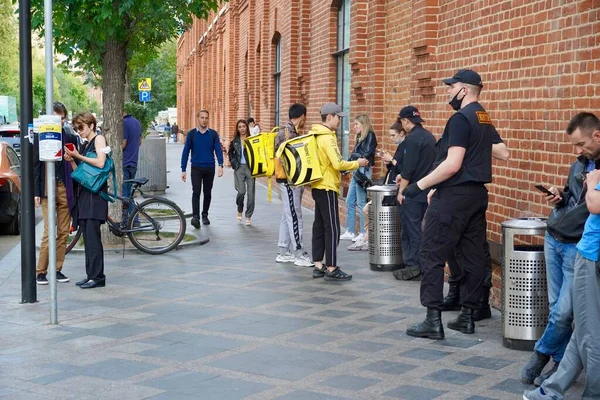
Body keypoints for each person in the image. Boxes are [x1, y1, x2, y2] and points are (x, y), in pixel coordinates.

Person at [403, 69, 505, 339]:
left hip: (454, 197)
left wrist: (419, 186)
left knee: (432, 254)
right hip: (477, 196)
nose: (448, 91)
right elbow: (503, 151)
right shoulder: (482, 116)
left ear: (464, 90)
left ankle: (432, 320)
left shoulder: (460, 118)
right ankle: (467, 317)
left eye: (452, 87)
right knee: (473, 257)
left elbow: (452, 164)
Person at [520, 112, 600, 387]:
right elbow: (571, 200)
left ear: (597, 136)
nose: (577, 151)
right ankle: (559, 363)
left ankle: (541, 355)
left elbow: (593, 207)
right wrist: (559, 197)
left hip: (579, 247)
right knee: (557, 308)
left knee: (565, 312)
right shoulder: (578, 165)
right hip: (553, 238)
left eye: (581, 144)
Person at [310, 103, 369, 281]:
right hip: (327, 186)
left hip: (317, 185)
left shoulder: (315, 134)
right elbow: (337, 164)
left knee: (319, 226)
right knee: (333, 228)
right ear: (329, 117)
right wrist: (357, 164)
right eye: (338, 117)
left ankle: (318, 264)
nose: (340, 121)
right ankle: (332, 267)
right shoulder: (327, 137)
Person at [34, 102, 79, 285]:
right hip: (47, 189)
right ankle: (40, 271)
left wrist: (71, 159)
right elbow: (36, 167)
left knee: (62, 232)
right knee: (48, 231)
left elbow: (76, 163)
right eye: (56, 118)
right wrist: (36, 192)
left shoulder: (69, 136)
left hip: (65, 188)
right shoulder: (41, 137)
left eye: (61, 118)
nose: (59, 122)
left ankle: (57, 269)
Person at [63, 112, 108, 289]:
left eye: (81, 127)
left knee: (93, 238)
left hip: (94, 197)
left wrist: (78, 156)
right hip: (86, 195)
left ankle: (98, 277)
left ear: (91, 125)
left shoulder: (99, 139)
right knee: (88, 238)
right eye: (76, 128)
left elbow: (100, 163)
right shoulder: (86, 143)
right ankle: (91, 275)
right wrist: (71, 161)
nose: (79, 131)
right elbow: (82, 173)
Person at [393, 106, 436, 280]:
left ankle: (413, 266)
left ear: (405, 121)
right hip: (426, 190)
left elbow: (409, 169)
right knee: (421, 229)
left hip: (413, 192)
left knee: (411, 230)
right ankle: (421, 265)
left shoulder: (411, 140)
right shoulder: (429, 137)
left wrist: (401, 190)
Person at [348, 122, 406, 252]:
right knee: (367, 209)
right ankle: (367, 238)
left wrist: (391, 160)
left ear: (401, 133)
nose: (391, 138)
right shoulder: (401, 147)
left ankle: (367, 239)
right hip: (389, 186)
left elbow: (405, 170)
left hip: (395, 189)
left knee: (368, 209)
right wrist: (388, 162)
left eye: (393, 135)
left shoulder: (406, 147)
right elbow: (396, 168)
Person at [274, 103, 314, 267]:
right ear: (302, 116)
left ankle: (283, 250)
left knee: (287, 215)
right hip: (290, 182)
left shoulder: (284, 131)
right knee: (295, 217)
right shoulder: (289, 134)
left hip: (286, 181)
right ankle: (299, 252)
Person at [181, 109, 224, 228]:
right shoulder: (192, 134)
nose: (204, 120)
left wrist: (220, 164)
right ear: (198, 118)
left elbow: (218, 150)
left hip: (209, 167)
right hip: (196, 168)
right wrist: (183, 169)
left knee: (207, 193)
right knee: (196, 192)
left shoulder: (213, 134)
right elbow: (186, 152)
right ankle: (196, 217)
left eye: (206, 118)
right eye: (202, 118)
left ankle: (204, 214)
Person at [339, 114, 377, 244]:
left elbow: (366, 155)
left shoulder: (370, 135)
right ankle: (350, 230)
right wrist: (345, 167)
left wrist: (354, 156)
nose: (354, 127)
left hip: (364, 170)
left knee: (361, 202)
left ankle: (363, 232)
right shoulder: (359, 137)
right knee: (349, 201)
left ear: (363, 124)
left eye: (356, 124)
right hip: (357, 169)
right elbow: (355, 156)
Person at [228, 119, 255, 226]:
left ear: (246, 127)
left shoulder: (252, 139)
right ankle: (240, 209)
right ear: (237, 129)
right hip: (239, 168)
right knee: (241, 192)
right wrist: (234, 164)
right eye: (240, 127)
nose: (242, 129)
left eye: (244, 126)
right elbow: (230, 153)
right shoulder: (235, 141)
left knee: (251, 194)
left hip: (250, 169)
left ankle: (248, 216)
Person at [121, 111, 142, 227]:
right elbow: (139, 141)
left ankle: (133, 220)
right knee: (128, 194)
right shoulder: (137, 122)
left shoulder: (123, 123)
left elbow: (123, 144)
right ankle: (132, 219)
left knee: (125, 195)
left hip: (125, 162)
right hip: (133, 162)